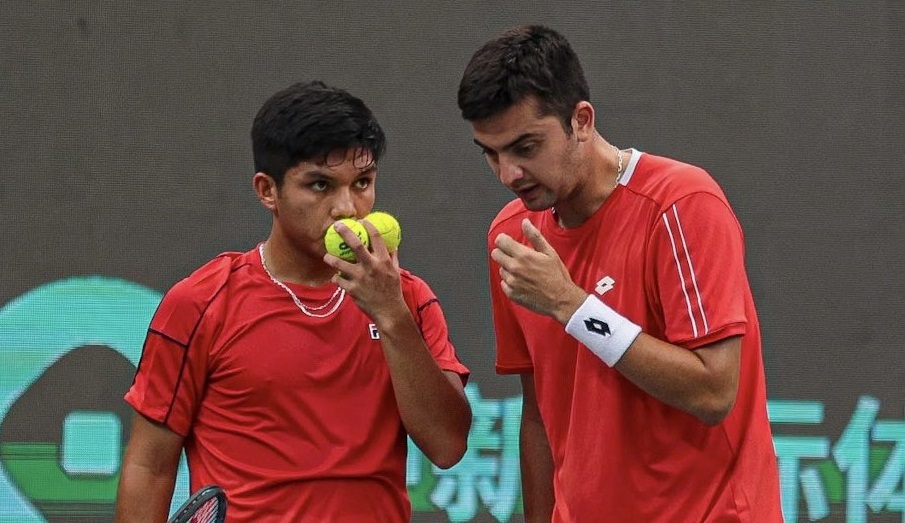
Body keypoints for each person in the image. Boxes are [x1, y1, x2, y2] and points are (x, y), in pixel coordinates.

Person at [457, 25, 783, 522]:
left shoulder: (682, 204)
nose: (508, 174)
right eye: (491, 153)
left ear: (581, 120)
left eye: (525, 147)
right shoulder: (511, 235)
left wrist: (572, 306)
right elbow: (541, 417)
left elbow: (713, 392)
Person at [115, 81, 472, 522]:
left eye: (362, 182)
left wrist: (391, 315)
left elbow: (448, 445)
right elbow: (148, 466)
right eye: (320, 185)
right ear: (268, 191)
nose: (347, 208)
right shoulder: (201, 303)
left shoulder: (408, 299)